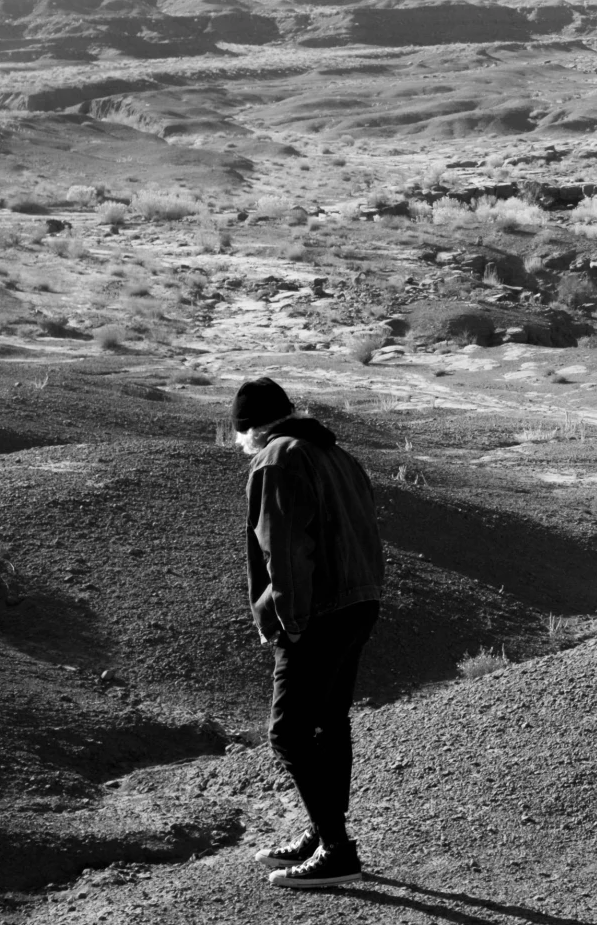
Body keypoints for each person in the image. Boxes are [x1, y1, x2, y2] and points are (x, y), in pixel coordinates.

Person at [231, 377, 385, 890]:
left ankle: (337, 851)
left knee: (290, 732)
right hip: (359, 602)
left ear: (248, 429)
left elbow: (283, 547)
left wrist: (288, 621)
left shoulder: (278, 458)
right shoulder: (336, 455)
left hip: (317, 612)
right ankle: (324, 834)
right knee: (328, 722)